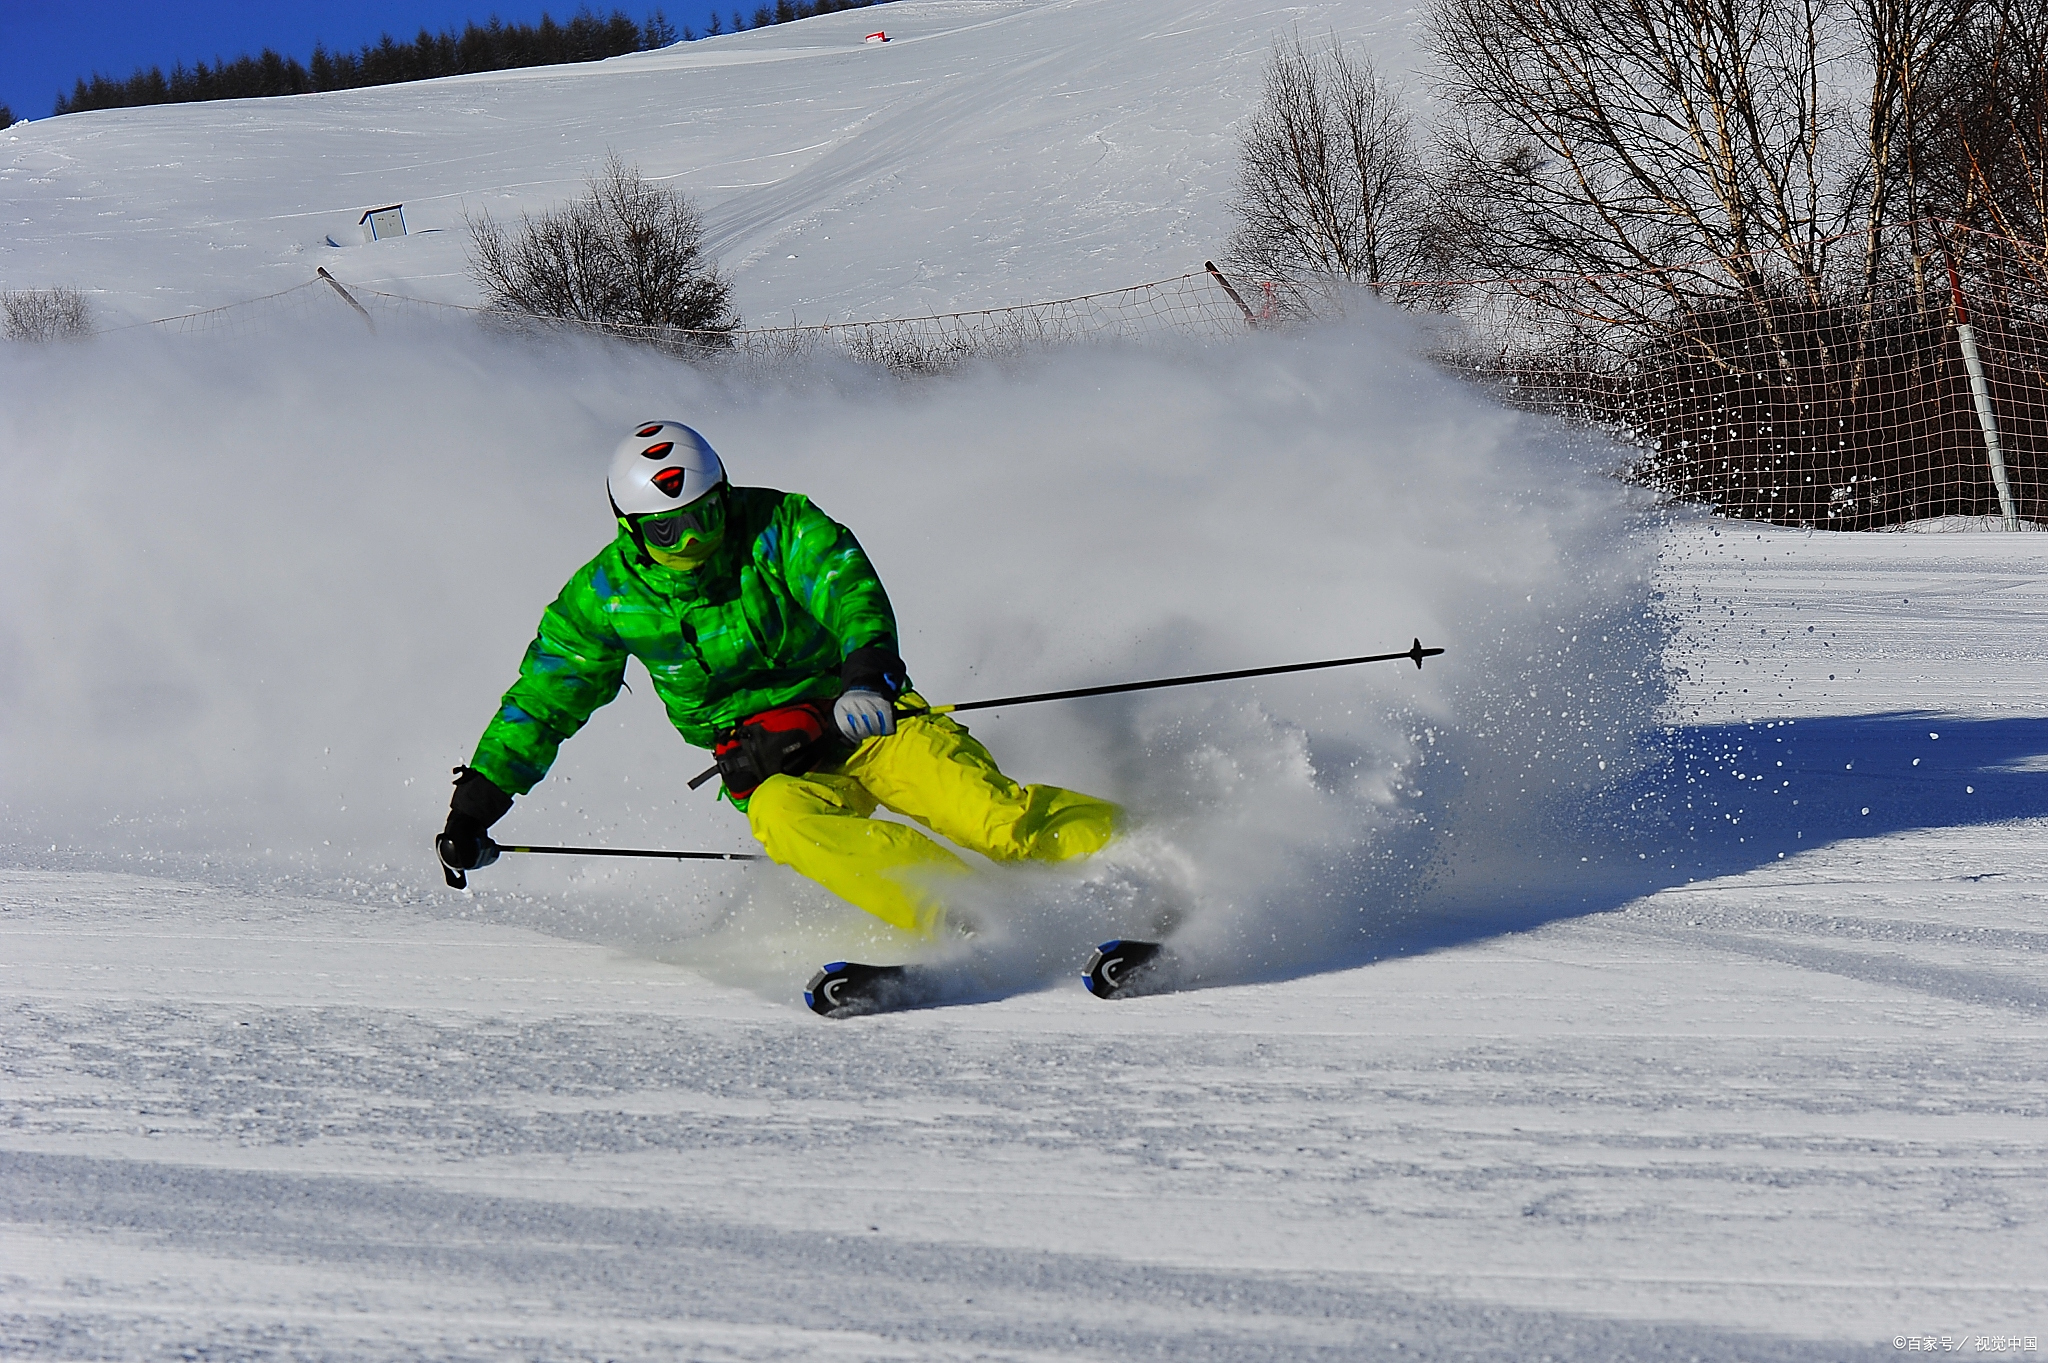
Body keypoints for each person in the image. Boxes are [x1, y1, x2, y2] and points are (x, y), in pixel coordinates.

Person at [436, 420, 1120, 936]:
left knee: (989, 816)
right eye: (668, 532)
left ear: (724, 495)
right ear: (631, 530)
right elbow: (543, 701)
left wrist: (867, 675)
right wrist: (474, 809)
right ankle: (968, 919)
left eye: (705, 516)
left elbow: (845, 586)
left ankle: (1133, 859)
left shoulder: (778, 524)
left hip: (864, 717)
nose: (694, 540)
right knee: (783, 820)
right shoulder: (605, 598)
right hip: (771, 762)